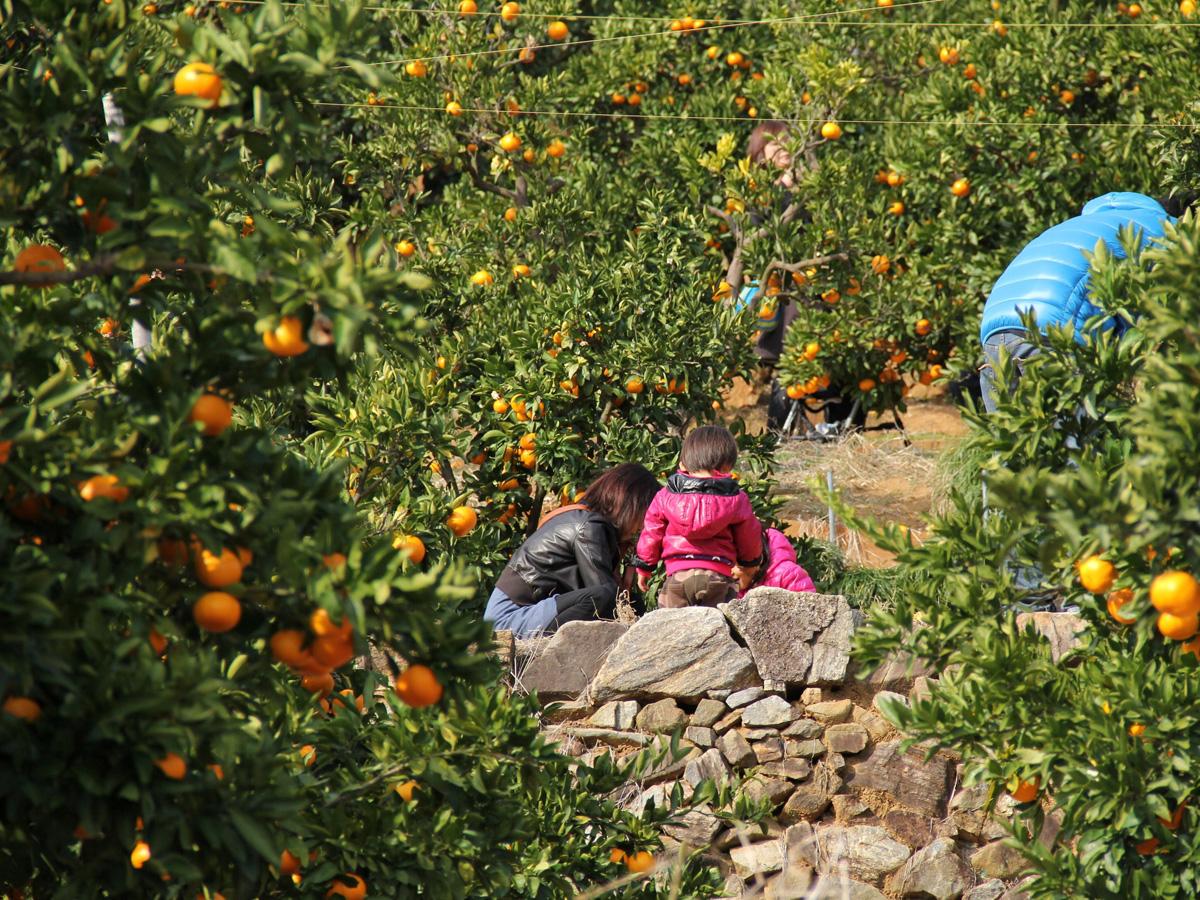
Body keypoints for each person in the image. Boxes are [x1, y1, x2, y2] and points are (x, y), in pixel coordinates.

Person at [978, 191, 1184, 413]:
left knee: (1011, 440)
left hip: (995, 331)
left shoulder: (1082, 223)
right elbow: (1151, 320)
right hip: (1056, 333)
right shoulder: (1168, 233)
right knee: (1075, 444)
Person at [484, 462, 660, 638]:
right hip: (509, 621)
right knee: (607, 597)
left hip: (534, 614)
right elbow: (606, 597)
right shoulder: (588, 527)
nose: (644, 526)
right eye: (646, 515)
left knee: (632, 603)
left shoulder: (587, 522)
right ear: (631, 503)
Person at [635, 426, 763, 608]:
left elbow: (651, 531)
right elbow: (748, 536)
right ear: (728, 466)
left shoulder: (665, 496)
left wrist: (645, 567)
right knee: (719, 630)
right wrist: (750, 563)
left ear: (684, 464)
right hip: (718, 577)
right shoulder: (736, 499)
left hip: (677, 576)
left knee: (670, 630)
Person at [732, 527, 817, 597]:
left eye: (734, 564)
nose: (730, 571)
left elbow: (808, 606)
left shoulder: (788, 575)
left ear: (757, 559)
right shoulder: (734, 587)